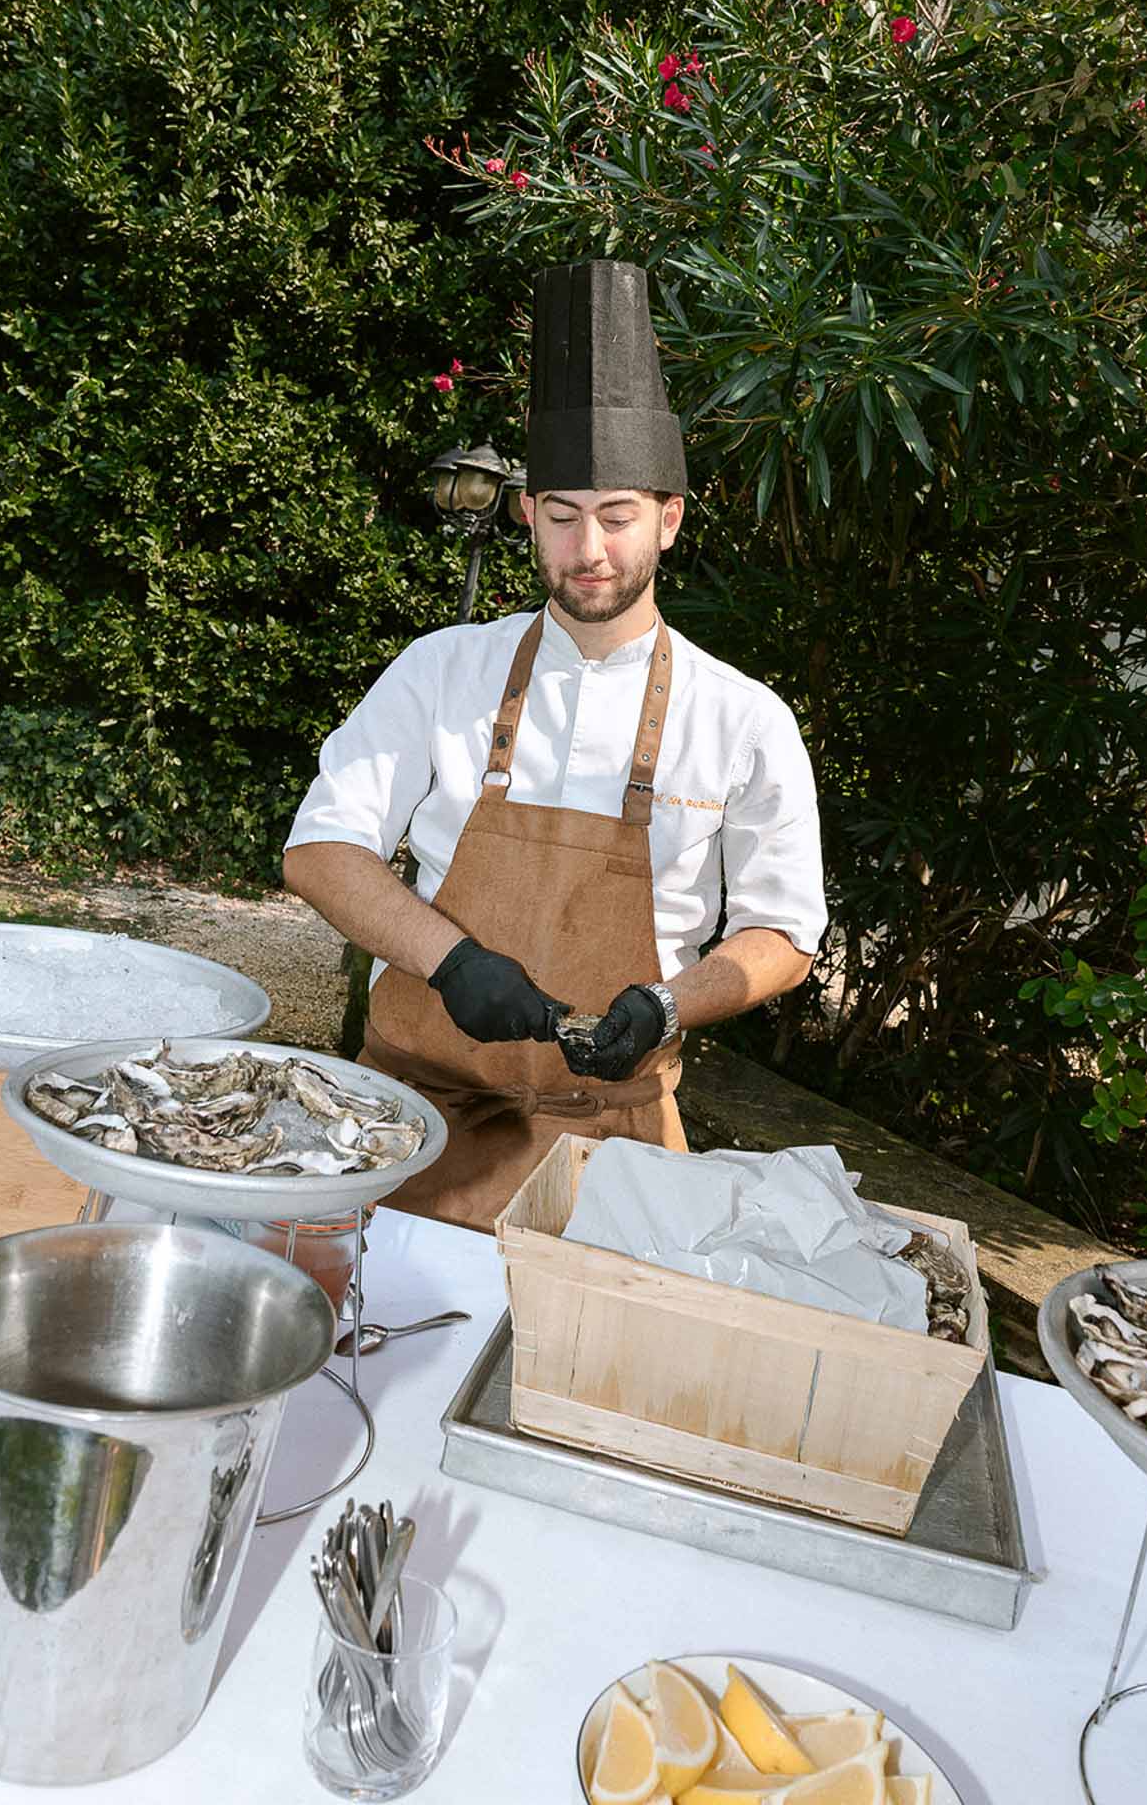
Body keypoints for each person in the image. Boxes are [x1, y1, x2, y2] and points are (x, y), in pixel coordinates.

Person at [284, 258, 827, 1232]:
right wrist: (451, 962)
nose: (589, 552)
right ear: (528, 514)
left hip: (613, 1141)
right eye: (563, 516)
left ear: (668, 517)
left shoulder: (744, 719)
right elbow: (321, 850)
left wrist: (667, 1004)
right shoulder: (440, 669)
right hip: (410, 1121)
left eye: (618, 517)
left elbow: (783, 935)